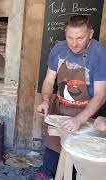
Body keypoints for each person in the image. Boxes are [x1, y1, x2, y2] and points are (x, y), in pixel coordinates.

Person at [35, 15, 106, 180]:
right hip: (62, 109)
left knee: (79, 159)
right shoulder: (59, 49)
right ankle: (47, 173)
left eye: (80, 38)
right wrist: (46, 100)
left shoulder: (100, 53)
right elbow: (48, 80)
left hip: (88, 113)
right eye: (70, 38)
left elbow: (101, 95)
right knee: (54, 148)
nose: (74, 43)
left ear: (90, 34)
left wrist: (79, 120)